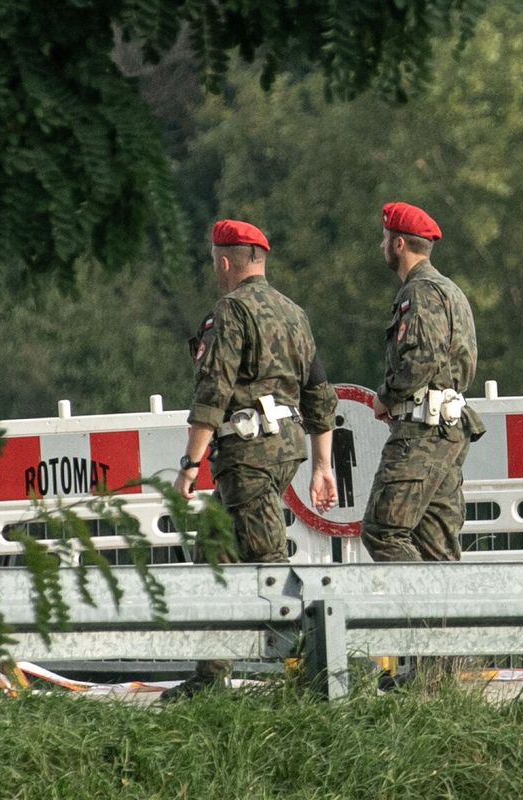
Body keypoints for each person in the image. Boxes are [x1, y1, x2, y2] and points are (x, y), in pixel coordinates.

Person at [162, 219, 338, 700]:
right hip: (286, 448)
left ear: (224, 261)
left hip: (248, 454)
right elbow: (320, 391)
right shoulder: (294, 312)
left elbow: (212, 392)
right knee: (214, 548)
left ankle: (321, 671)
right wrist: (323, 465)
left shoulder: (231, 311)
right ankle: (212, 674)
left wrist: (188, 466)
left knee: (267, 559)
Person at [361, 202, 485, 564]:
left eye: (385, 239)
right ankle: (445, 617)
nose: (381, 246)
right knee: (437, 549)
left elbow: (422, 358)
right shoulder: (449, 290)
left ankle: (417, 615)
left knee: (383, 532)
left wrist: (386, 397)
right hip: (445, 429)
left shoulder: (420, 292)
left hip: (422, 432)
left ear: (398, 244)